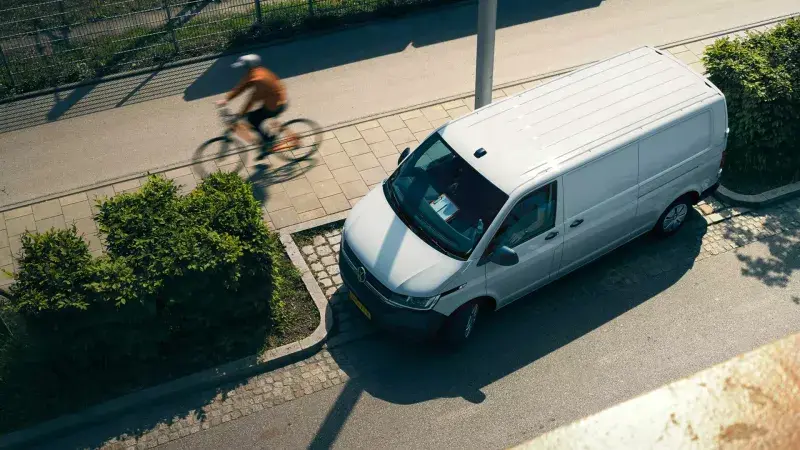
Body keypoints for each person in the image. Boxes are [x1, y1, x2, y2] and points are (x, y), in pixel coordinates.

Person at [216, 54, 287, 157]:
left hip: (276, 105)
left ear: (249, 66)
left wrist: (240, 114)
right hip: (272, 100)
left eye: (244, 66)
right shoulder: (254, 72)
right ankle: (266, 141)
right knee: (251, 118)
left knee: (253, 119)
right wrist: (226, 99)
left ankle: (268, 143)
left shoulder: (259, 79)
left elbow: (252, 100)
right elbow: (242, 87)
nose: (243, 69)